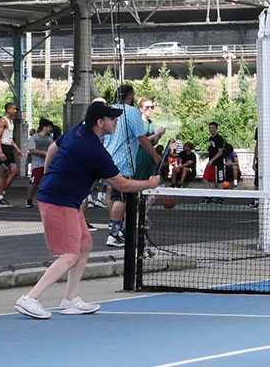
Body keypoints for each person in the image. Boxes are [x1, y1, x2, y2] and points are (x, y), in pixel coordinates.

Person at [14, 102, 160, 319]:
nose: (116, 121)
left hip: (66, 198)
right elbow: (121, 185)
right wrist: (149, 183)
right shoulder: (94, 150)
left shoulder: (78, 130)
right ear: (100, 123)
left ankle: (70, 300)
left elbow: (53, 149)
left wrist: (50, 174)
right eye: (112, 118)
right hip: (58, 200)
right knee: (70, 255)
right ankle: (30, 299)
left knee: (85, 243)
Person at [102, 84, 160, 248]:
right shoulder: (132, 112)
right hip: (123, 161)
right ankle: (114, 234)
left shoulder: (110, 110)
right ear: (130, 95)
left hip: (107, 158)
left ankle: (116, 229)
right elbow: (142, 138)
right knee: (120, 197)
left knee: (113, 194)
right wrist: (155, 155)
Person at [0, 103, 24, 207]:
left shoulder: (10, 122)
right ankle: (0, 197)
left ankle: (1, 195)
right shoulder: (3, 120)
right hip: (3, 147)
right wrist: (0, 152)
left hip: (8, 147)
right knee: (3, 172)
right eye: (14, 109)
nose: (15, 111)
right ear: (8, 109)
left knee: (12, 171)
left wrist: (18, 149)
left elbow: (9, 139)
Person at [25, 119, 55, 208]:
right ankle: (29, 201)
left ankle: (47, 200)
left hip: (48, 165)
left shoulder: (50, 139)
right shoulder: (34, 138)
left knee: (48, 183)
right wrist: (45, 153)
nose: (51, 129)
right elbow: (32, 150)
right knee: (34, 183)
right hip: (37, 164)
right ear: (44, 127)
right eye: (49, 127)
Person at [201, 122, 225, 203]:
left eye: (213, 128)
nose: (211, 129)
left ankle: (221, 198)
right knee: (205, 179)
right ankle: (209, 196)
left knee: (218, 182)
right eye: (210, 128)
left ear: (216, 129)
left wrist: (212, 160)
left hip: (218, 164)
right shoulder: (210, 139)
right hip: (211, 163)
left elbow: (220, 152)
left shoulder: (219, 138)